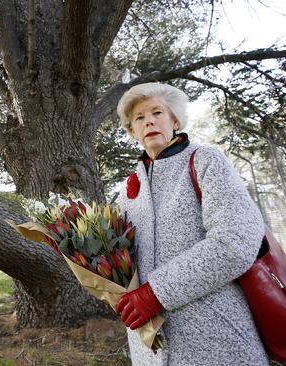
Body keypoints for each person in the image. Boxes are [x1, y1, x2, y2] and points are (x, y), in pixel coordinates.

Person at [114, 82, 268, 366]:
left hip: (216, 339)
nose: (148, 120)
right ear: (133, 132)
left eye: (157, 112)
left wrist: (156, 293)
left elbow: (236, 240)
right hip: (149, 348)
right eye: (139, 118)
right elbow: (118, 252)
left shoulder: (205, 161)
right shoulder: (128, 189)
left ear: (174, 120)